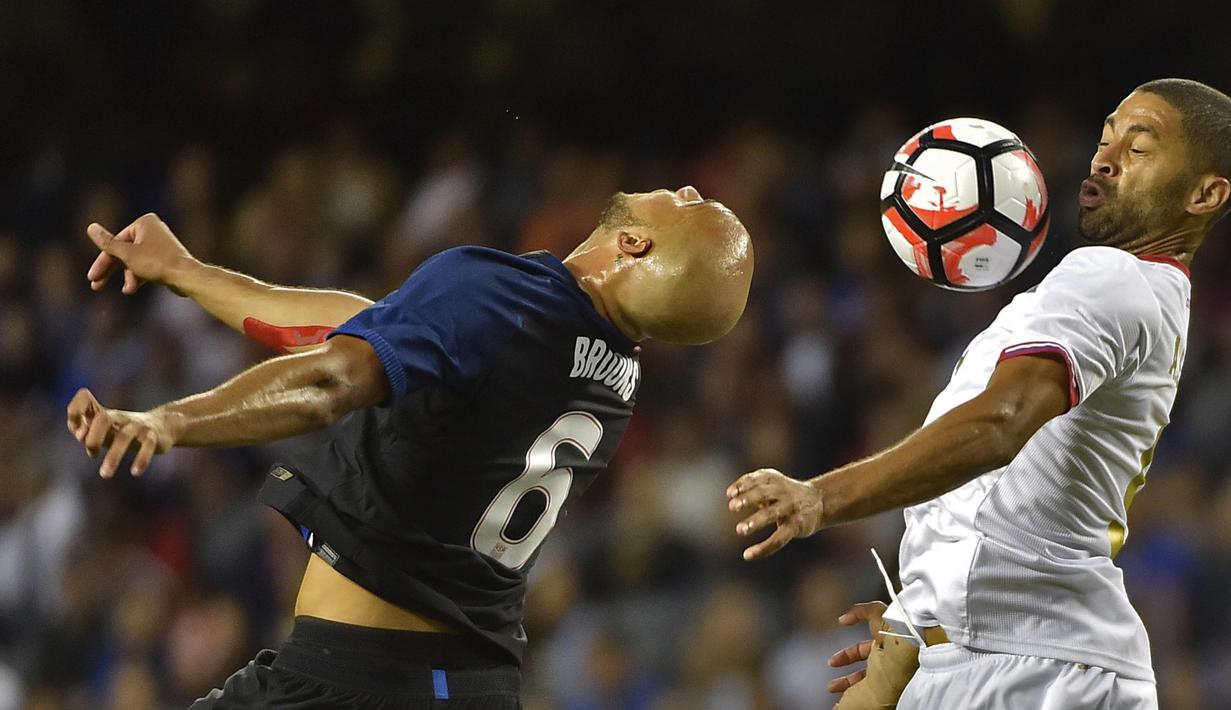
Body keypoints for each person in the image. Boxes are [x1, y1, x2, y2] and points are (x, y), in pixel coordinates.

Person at [69, 186, 753, 708]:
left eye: (690, 202)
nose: (684, 189)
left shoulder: (500, 295)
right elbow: (357, 332)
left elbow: (332, 380)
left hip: (355, 679)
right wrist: (185, 270)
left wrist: (171, 422)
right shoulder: (610, 370)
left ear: (633, 243)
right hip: (471, 685)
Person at [726, 78, 1231, 709]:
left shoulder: (1111, 277)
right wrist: (923, 621)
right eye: (1105, 139)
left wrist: (819, 498)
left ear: (1205, 193)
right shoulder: (1125, 292)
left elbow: (999, 425)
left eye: (1139, 146)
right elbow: (1003, 500)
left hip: (1041, 673)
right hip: (1000, 658)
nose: (1103, 158)